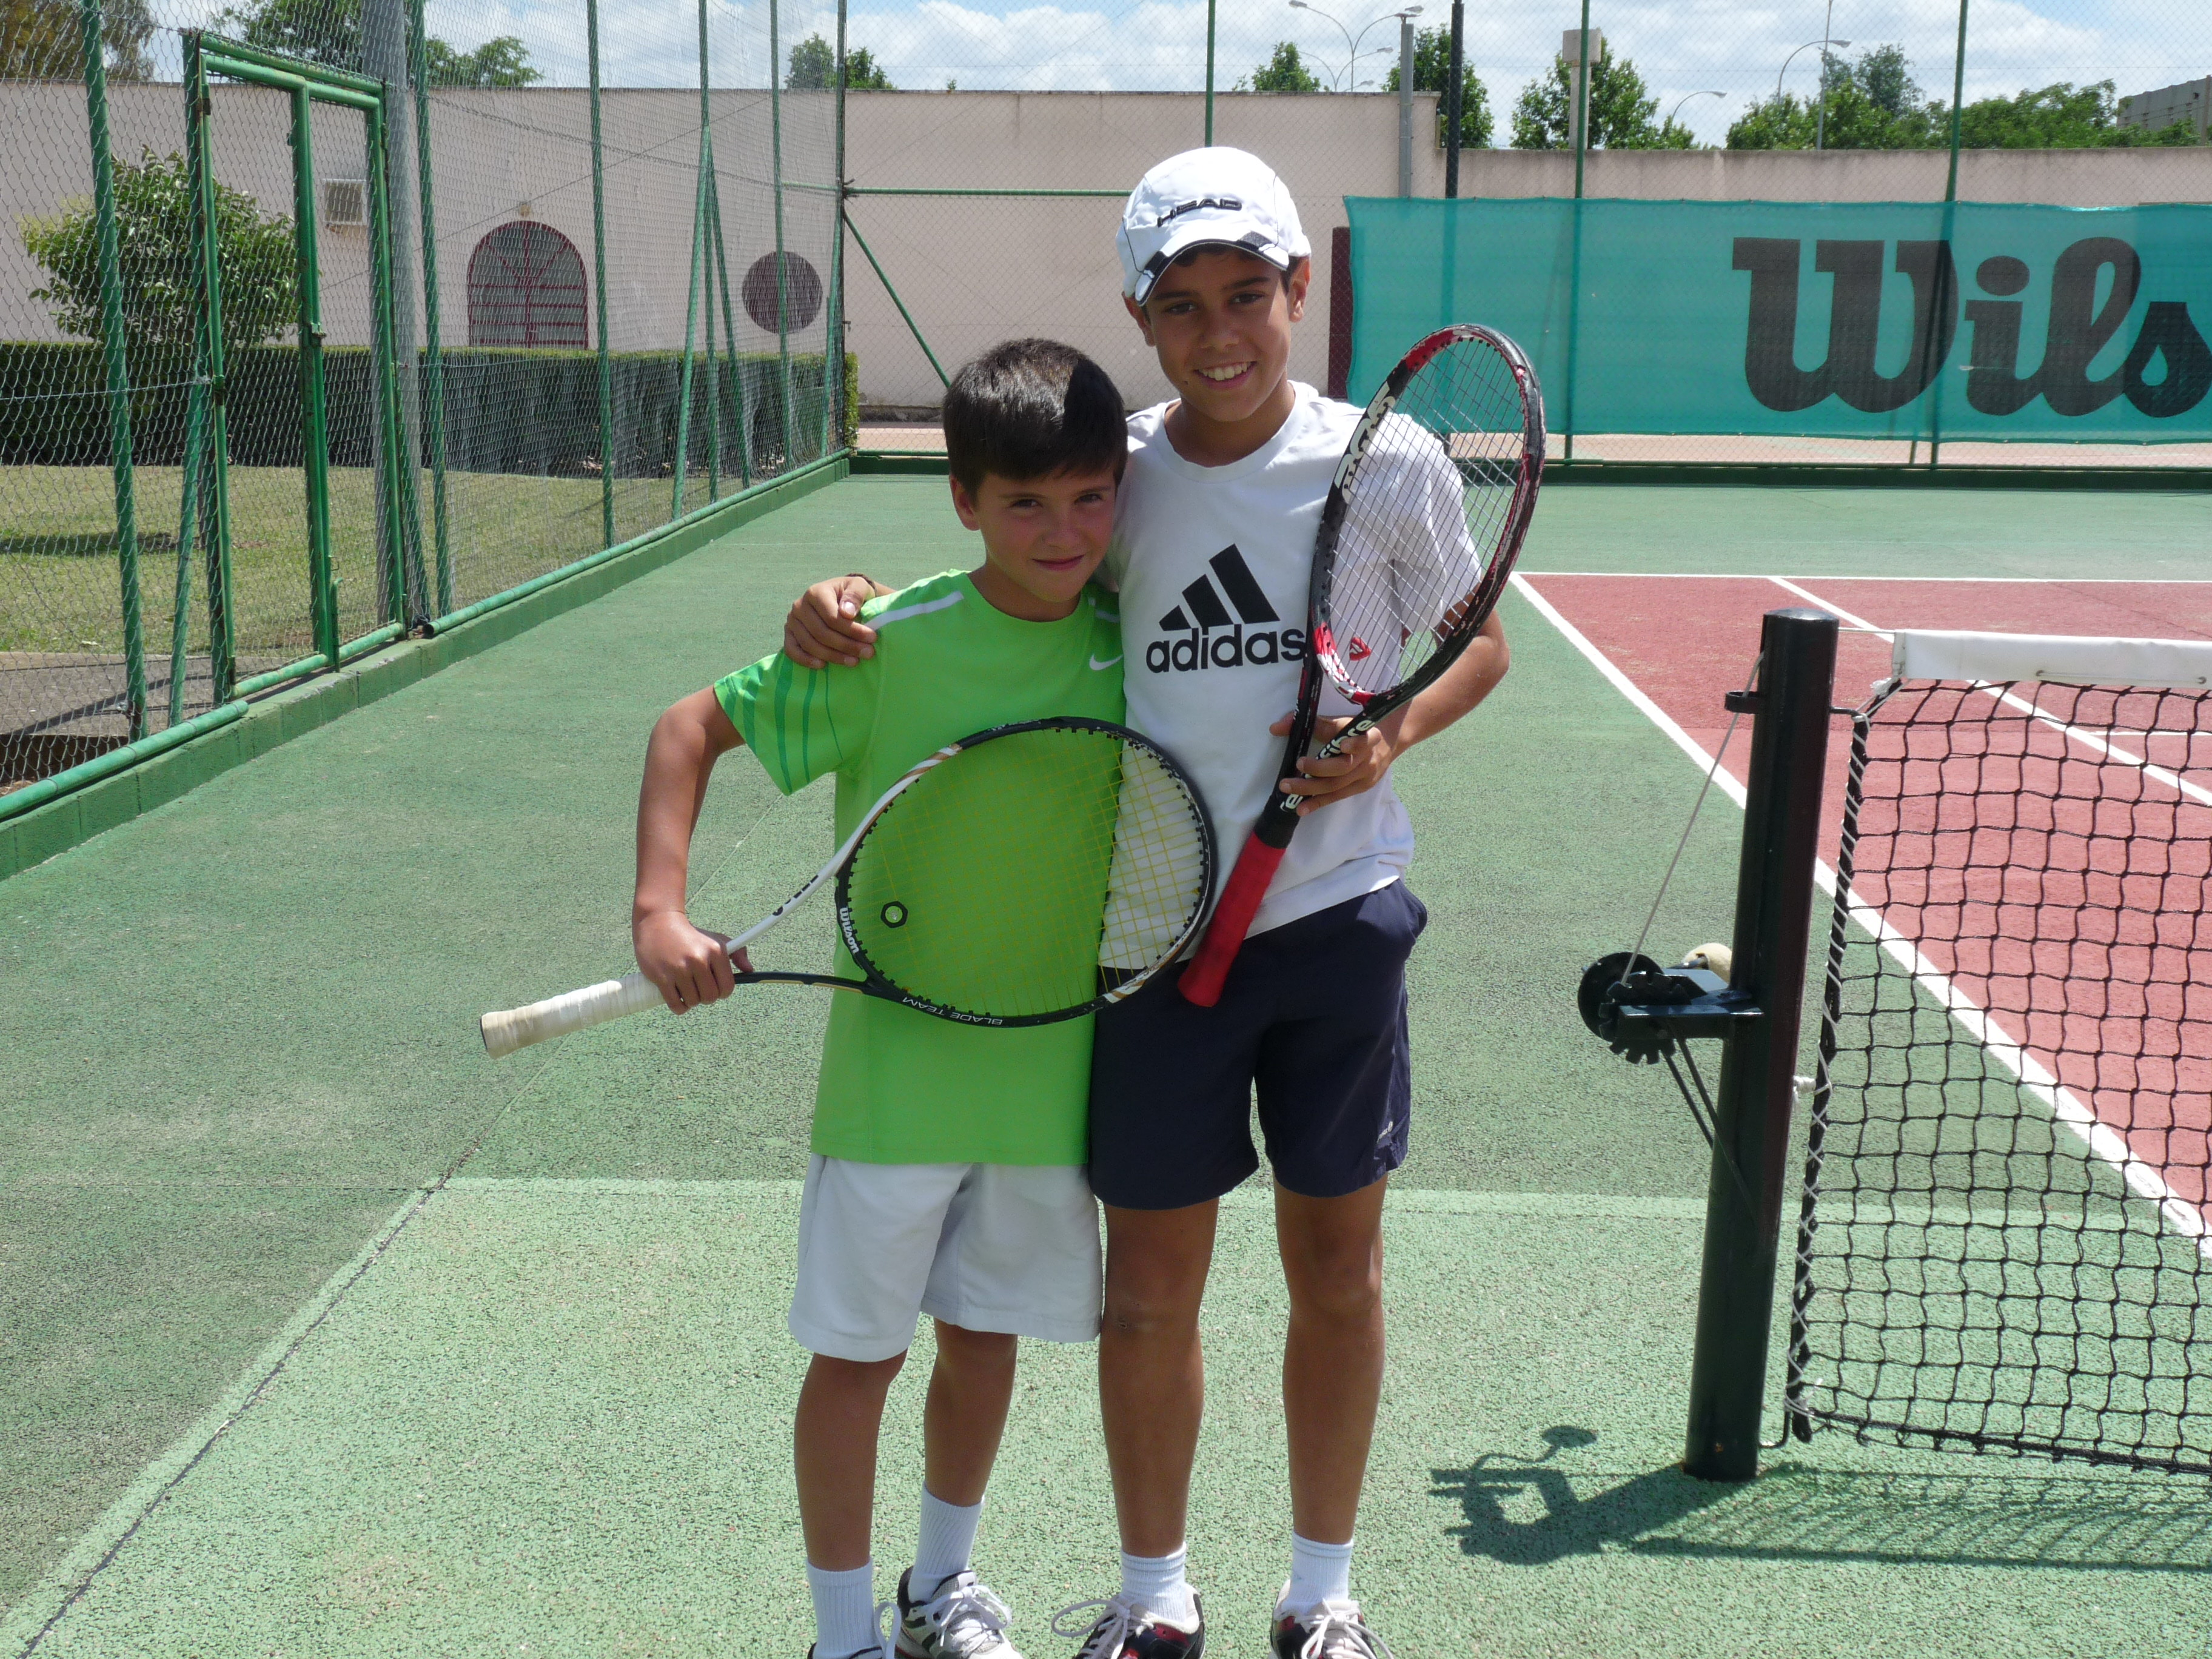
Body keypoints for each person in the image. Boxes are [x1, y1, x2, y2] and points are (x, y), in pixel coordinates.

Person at [783, 149, 1511, 1659]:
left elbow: (1478, 645)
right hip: (1151, 949)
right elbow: (1013, 574)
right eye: (1181, 306)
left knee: (1338, 1275)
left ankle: (1321, 1596)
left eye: (1248, 293)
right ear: (1141, 317)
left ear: (1299, 287)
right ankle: (1153, 1596)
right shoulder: (1119, 478)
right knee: (1149, 1297)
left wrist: (1391, 734)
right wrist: (839, 604)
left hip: (1339, 921)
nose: (1219, 332)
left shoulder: (1393, 467)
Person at [635, 338, 1130, 1659]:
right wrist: (659, 914)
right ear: (963, 501)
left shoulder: (1133, 641)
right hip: (891, 1089)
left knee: (985, 1340)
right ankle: (840, 1636)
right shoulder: (883, 642)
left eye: (1090, 496)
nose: (1063, 531)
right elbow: (689, 729)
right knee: (859, 1359)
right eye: (1024, 503)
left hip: (1048, 1084)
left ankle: (937, 1595)